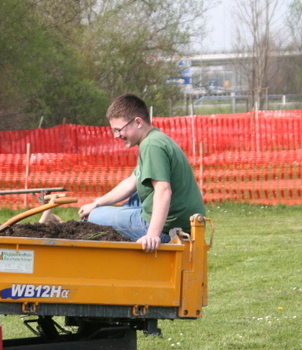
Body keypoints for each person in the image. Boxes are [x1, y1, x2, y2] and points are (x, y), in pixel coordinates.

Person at [78, 93, 206, 253]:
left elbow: (163, 190)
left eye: (118, 130)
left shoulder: (151, 146)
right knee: (132, 196)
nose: (116, 135)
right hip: (182, 221)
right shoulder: (156, 138)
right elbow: (130, 183)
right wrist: (96, 203)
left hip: (167, 229)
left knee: (94, 216)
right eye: (113, 131)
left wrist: (152, 235)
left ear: (138, 122)